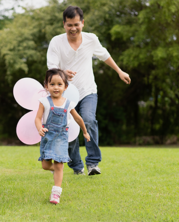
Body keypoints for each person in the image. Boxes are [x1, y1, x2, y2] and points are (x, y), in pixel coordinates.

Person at [47, 6, 131, 176]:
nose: (73, 28)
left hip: (87, 91)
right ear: (64, 24)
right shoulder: (56, 42)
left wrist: (119, 71)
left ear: (83, 23)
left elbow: (104, 55)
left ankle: (93, 163)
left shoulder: (91, 39)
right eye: (69, 25)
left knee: (88, 120)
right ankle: (76, 166)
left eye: (76, 24)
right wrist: (62, 73)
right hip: (65, 94)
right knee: (68, 128)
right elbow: (52, 67)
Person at [35, 68, 91, 204]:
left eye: (59, 84)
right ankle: (59, 169)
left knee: (59, 164)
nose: (56, 87)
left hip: (61, 138)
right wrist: (39, 128)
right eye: (52, 84)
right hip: (48, 137)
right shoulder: (44, 102)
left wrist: (85, 131)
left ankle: (56, 193)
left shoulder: (69, 103)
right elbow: (38, 118)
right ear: (46, 86)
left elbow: (78, 119)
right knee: (45, 165)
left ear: (65, 86)